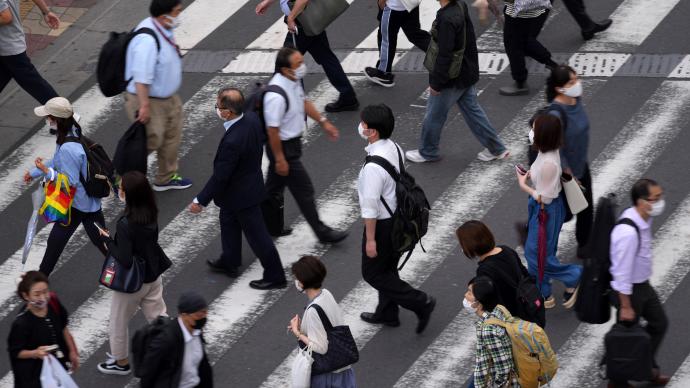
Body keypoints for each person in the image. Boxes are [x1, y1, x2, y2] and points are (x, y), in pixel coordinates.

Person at [190, 88, 287, 289]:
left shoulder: (233, 141)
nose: (217, 109)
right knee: (228, 223)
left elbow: (220, 176)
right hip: (243, 189)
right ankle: (229, 261)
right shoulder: (250, 119)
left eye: (219, 106)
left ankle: (275, 275)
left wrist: (200, 200)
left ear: (229, 112)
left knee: (259, 237)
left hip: (242, 195)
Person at [357, 103, 435, 333]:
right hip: (397, 219)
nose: (360, 126)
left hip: (382, 225)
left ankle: (421, 302)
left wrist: (370, 240)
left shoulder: (372, 168)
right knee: (387, 268)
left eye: (363, 124)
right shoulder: (393, 147)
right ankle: (387, 313)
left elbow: (370, 208)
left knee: (372, 274)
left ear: (372, 132)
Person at [405, 0, 509, 164]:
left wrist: (436, 83)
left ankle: (428, 151)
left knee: (434, 115)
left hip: (452, 77)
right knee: (473, 112)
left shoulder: (447, 18)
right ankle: (497, 149)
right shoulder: (460, 5)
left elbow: (444, 54)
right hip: (466, 71)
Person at [262, 47, 349, 244]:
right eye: (298, 64)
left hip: (291, 145)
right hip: (283, 148)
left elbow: (303, 101)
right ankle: (322, 233)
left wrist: (323, 122)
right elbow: (272, 131)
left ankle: (265, 224)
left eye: (302, 61)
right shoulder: (275, 96)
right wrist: (280, 159)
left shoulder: (292, 81)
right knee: (305, 191)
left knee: (272, 191)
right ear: (285, 70)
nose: (303, 66)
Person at [97, 171, 171, 375]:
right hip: (153, 274)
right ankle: (173, 348)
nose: (119, 191)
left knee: (118, 322)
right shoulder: (151, 211)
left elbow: (124, 258)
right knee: (158, 316)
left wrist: (107, 239)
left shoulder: (125, 223)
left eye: (121, 189)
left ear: (129, 194)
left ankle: (121, 362)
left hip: (132, 283)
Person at [24, 97, 107, 276]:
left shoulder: (68, 146)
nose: (46, 120)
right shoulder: (72, 132)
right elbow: (59, 160)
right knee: (62, 242)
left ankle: (127, 273)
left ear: (57, 119)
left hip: (79, 205)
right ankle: (41, 279)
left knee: (100, 242)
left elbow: (70, 182)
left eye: (48, 117)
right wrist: (34, 172)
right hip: (83, 203)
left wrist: (46, 171)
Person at [123, 0, 193, 192]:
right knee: (150, 141)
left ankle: (166, 177)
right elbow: (141, 76)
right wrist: (144, 106)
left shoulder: (161, 26)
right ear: (164, 15)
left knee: (172, 137)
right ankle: (123, 176)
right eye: (177, 11)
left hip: (168, 98)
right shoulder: (147, 40)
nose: (180, 14)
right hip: (149, 101)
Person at [608, 179, 669, 387]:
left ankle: (645, 368)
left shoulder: (644, 217)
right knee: (626, 338)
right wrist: (625, 305)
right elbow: (621, 272)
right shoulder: (628, 234)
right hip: (630, 292)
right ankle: (617, 381)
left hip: (642, 285)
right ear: (641, 202)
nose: (660, 202)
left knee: (659, 323)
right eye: (656, 198)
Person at [516, 114, 581, 308]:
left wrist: (523, 184)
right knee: (544, 251)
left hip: (546, 211)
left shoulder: (548, 164)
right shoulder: (548, 153)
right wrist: (530, 175)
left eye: (534, 129)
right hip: (544, 209)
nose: (531, 132)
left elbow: (545, 197)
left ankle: (574, 275)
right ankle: (543, 292)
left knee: (534, 256)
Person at [255, 0, 359, 112]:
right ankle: (348, 96)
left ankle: (275, 104)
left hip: (302, 22)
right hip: (309, 21)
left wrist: (291, 17)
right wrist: (267, 2)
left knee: (285, 64)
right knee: (327, 58)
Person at [545, 65, 593, 256]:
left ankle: (585, 245)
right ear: (559, 88)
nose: (577, 84)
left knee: (586, 208)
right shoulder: (556, 114)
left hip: (581, 165)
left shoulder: (576, 100)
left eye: (577, 79)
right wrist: (569, 175)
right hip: (565, 173)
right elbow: (555, 148)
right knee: (565, 214)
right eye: (571, 82)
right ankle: (535, 233)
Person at [288, 256, 357, 387]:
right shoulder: (326, 294)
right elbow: (327, 324)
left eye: (296, 278)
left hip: (327, 376)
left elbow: (321, 348)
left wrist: (298, 333)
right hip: (342, 369)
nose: (296, 281)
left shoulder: (313, 310)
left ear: (302, 282)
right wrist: (305, 326)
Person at [8, 271, 79, 388]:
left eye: (45, 292)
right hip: (33, 376)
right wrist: (35, 353)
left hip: (56, 368)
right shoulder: (21, 324)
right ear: (26, 296)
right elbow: (16, 352)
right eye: (37, 294)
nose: (43, 297)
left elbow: (63, 327)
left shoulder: (53, 302)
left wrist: (72, 351)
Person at [456, 220, 530, 319]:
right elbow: (524, 272)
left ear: (470, 246)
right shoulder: (506, 249)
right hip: (527, 304)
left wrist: (478, 310)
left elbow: (494, 302)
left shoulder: (484, 270)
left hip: (514, 316)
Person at [140, 291, 213, 388]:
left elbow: (203, 367)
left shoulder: (196, 332)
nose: (204, 317)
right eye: (199, 315)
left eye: (205, 313)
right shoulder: (165, 340)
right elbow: (148, 372)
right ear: (184, 315)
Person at [463, 276, 519, 388]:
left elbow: (504, 368)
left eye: (469, 293)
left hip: (489, 379)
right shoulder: (498, 309)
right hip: (484, 370)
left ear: (479, 302)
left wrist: (497, 384)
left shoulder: (489, 330)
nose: (465, 295)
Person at [0, 0, 60, 104]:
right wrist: (46, 11)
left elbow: (6, 17)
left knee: (37, 86)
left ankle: (64, 115)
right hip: (10, 44)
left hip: (8, 47)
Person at [363, 0, 430, 87]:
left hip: (393, 8)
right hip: (411, 4)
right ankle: (442, 53)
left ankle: (383, 73)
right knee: (416, 34)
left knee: (386, 40)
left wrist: (381, 2)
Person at [498, 0, 558, 96]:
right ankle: (552, 64)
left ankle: (520, 83)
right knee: (524, 39)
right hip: (531, 7)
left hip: (518, 10)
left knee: (513, 44)